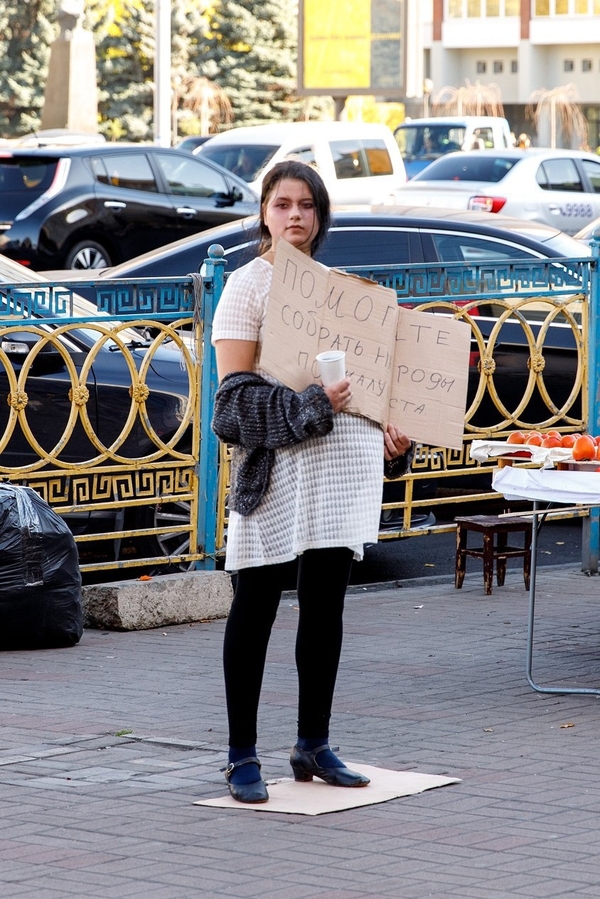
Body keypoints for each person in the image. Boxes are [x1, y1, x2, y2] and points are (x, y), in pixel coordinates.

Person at [211, 159, 414, 804]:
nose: (295, 215)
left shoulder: (341, 290)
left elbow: (374, 387)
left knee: (325, 609)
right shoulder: (245, 287)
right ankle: (242, 754)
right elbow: (232, 405)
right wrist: (310, 406)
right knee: (256, 604)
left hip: (343, 472)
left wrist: (392, 434)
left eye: (307, 205)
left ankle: (312, 745)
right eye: (282, 204)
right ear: (263, 214)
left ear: (321, 218)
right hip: (279, 472)